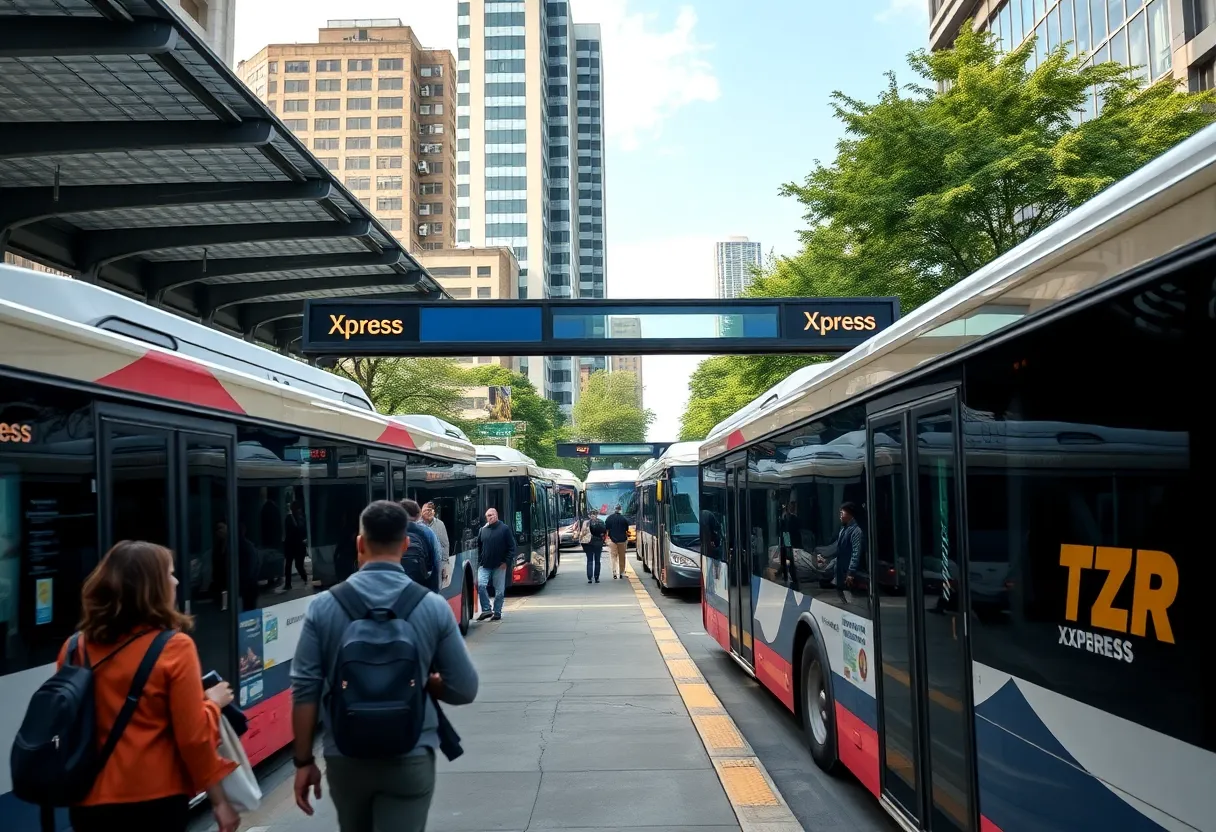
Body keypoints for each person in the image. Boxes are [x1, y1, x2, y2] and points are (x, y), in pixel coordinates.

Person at [290, 501, 479, 832]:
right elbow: (464, 688)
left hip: (345, 754)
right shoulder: (432, 607)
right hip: (411, 752)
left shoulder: (323, 607)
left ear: (360, 544)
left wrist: (304, 761)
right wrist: (428, 681)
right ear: (406, 544)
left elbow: (305, 690)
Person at [62, 540, 241, 832]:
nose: (177, 580)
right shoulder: (174, 647)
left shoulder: (74, 648)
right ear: (151, 587)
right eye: (169, 574)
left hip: (86, 801)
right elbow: (193, 738)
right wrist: (212, 703)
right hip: (154, 800)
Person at [476, 507, 515, 621]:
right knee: (481, 586)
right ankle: (487, 610)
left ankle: (497, 612)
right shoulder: (482, 530)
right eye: (488, 515)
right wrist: (480, 560)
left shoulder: (504, 529)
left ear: (497, 515)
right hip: (485, 565)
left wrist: (506, 562)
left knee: (499, 592)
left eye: (492, 515)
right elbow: (479, 546)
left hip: (499, 565)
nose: (490, 517)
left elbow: (512, 547)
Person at [402, 499, 441, 592]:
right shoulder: (428, 532)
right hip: (422, 587)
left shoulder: (390, 531)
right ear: (418, 515)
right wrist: (435, 591)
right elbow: (437, 561)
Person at [835, 501, 866, 591]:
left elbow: (856, 553)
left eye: (842, 513)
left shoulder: (856, 531)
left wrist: (851, 572)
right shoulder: (843, 529)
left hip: (848, 573)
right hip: (841, 572)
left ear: (849, 514)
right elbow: (838, 548)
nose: (840, 515)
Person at [420, 501, 451, 585]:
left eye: (430, 510)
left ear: (434, 512)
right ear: (421, 511)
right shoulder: (417, 524)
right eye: (426, 510)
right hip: (421, 565)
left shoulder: (440, 524)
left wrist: (445, 564)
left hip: (436, 566)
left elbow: (445, 545)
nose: (428, 512)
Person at [282, 499, 308, 593]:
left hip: (298, 546)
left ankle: (305, 578)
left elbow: (303, 531)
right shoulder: (289, 518)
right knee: (288, 565)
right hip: (291, 545)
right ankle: (288, 584)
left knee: (298, 565)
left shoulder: (301, 519)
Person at [604, 504, 630, 580]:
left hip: (612, 540)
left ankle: (614, 572)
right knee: (622, 557)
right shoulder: (624, 519)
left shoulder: (609, 518)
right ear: (620, 510)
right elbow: (626, 529)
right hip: (622, 540)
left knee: (613, 557)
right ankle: (621, 573)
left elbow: (606, 528)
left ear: (614, 509)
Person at [581, 511, 606, 584]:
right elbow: (604, 531)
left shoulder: (586, 523)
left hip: (588, 543)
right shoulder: (601, 522)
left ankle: (589, 578)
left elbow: (582, 533)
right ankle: (596, 577)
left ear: (589, 515)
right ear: (597, 515)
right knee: (597, 561)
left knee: (589, 561)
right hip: (598, 543)